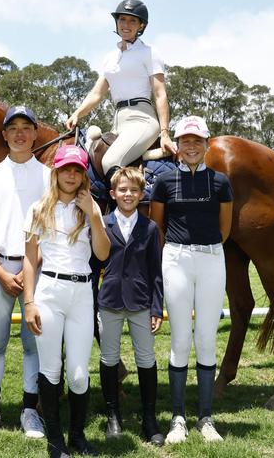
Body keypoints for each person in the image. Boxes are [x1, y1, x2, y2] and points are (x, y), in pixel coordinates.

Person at [149, 116, 233, 443]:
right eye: (185, 140)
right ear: (178, 146)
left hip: (212, 257)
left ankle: (206, 418)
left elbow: (224, 229)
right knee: (181, 339)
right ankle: (178, 417)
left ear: (207, 144)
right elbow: (158, 226)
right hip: (177, 258)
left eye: (197, 140)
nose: (191, 146)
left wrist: (206, 250)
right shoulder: (164, 182)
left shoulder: (221, 182)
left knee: (207, 339)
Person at [23, 145, 111, 458]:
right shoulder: (38, 208)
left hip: (82, 294)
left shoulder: (92, 207)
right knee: (51, 368)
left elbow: (102, 254)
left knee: (77, 373)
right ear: (56, 172)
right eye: (65, 169)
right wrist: (29, 302)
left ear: (83, 174)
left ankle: (77, 434)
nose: (71, 175)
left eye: (77, 170)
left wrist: (93, 216)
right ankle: (55, 440)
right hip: (49, 292)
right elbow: (31, 259)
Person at [0, 105, 49, 439]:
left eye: (26, 127)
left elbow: (52, 227)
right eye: (13, 128)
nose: (19, 133)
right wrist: (0, 271)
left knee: (34, 344)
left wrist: (33, 267)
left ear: (35, 133)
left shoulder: (49, 176)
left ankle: (30, 411)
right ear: (3, 135)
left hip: (39, 268)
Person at [66, 0, 175, 179]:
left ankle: (131, 204)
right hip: (118, 123)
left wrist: (165, 133)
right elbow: (97, 93)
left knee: (110, 162)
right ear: (116, 22)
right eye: (122, 19)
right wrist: (77, 113)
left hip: (142, 120)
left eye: (133, 20)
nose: (126, 24)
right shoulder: (110, 57)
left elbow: (160, 94)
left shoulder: (149, 53)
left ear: (141, 26)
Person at [96, 167, 164, 445]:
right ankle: (113, 415)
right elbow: (94, 266)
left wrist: (156, 308)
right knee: (109, 358)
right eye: (122, 190)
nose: (128, 194)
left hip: (140, 302)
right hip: (110, 301)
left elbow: (156, 272)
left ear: (142, 194)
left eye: (134, 190)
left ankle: (149, 418)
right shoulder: (102, 224)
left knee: (146, 358)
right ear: (113, 193)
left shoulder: (149, 228)